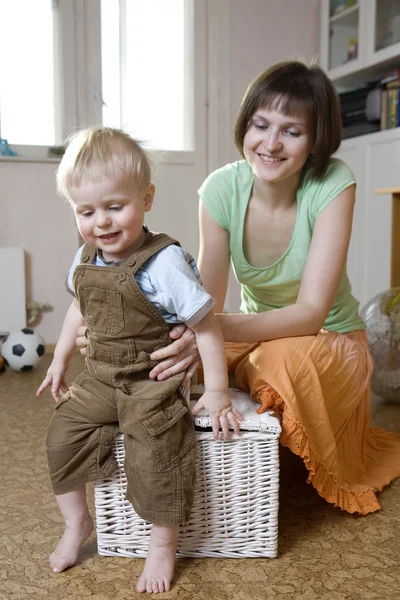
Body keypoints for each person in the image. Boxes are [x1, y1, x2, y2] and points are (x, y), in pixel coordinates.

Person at [107, 60, 400, 515]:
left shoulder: (333, 182)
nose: (270, 143)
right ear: (245, 125)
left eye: (291, 131)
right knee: (163, 359)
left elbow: (311, 314)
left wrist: (210, 327)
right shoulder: (221, 189)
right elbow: (207, 299)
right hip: (252, 332)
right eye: (260, 125)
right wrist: (177, 333)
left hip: (329, 337)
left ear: (316, 139)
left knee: (275, 361)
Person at [36, 126, 242, 594]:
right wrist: (59, 360)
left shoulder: (163, 262)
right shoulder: (86, 257)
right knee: (61, 436)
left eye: (115, 207)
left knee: (158, 455)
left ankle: (162, 545)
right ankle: (76, 524)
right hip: (102, 377)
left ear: (146, 198)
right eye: (86, 212)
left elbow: (208, 328)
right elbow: (77, 310)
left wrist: (215, 391)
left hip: (153, 378)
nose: (102, 223)